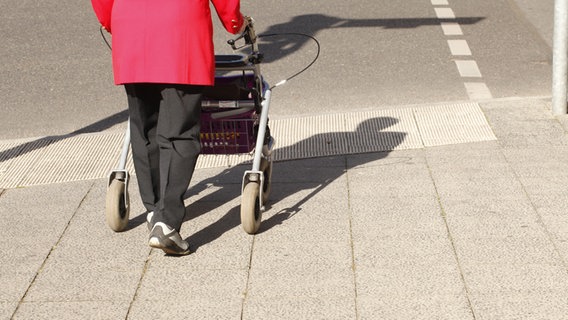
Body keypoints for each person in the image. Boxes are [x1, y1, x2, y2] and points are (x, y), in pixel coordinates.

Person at [91, 0, 248, 255]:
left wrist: (111, 21)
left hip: (130, 25)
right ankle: (166, 221)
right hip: (180, 29)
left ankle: (154, 210)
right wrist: (235, 22)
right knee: (180, 132)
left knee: (144, 127)